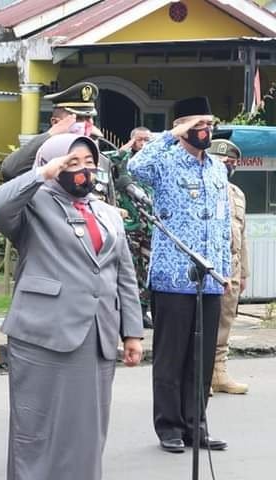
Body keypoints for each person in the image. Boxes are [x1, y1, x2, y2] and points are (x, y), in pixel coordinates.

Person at [0, 133, 143, 480]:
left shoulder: (106, 212)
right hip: (44, 331)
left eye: (89, 163)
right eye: (73, 163)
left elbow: (124, 274)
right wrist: (44, 173)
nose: (83, 171)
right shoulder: (35, 204)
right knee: (37, 428)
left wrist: (132, 332)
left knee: (89, 426)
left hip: (98, 333)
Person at [128, 96, 231, 453]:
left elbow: (222, 223)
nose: (205, 131)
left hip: (211, 278)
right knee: (171, 357)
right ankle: (169, 426)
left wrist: (226, 271)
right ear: (184, 127)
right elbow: (136, 166)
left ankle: (195, 424)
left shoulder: (217, 168)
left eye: (208, 125)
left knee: (201, 359)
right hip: (173, 277)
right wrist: (173, 135)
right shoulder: (165, 162)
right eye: (198, 125)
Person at [0, 82, 116, 205]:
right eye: (78, 118)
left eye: (89, 118)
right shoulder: (44, 157)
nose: (86, 124)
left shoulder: (101, 161)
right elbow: (10, 170)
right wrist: (50, 134)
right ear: (56, 122)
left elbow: (109, 201)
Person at [207, 136, 250, 394]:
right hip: (209, 265)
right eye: (222, 161)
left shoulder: (237, 194)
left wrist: (243, 273)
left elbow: (242, 234)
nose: (227, 166)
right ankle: (200, 374)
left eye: (231, 162)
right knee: (204, 322)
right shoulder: (201, 189)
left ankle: (218, 373)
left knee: (226, 320)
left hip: (231, 266)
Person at [108, 126, 154, 328]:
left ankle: (143, 311)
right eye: (140, 140)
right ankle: (129, 313)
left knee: (147, 269)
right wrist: (128, 145)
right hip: (131, 225)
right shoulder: (125, 161)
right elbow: (112, 161)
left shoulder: (150, 162)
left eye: (147, 139)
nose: (144, 144)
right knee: (131, 269)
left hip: (149, 225)